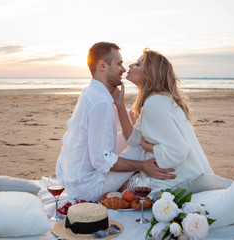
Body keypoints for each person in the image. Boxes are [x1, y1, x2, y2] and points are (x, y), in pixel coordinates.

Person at [56, 42, 175, 201]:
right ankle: (142, 180)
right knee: (139, 146)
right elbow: (102, 161)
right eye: (119, 64)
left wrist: (119, 103)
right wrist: (142, 165)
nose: (124, 69)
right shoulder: (101, 103)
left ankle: (126, 181)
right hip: (87, 188)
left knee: (125, 138)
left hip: (72, 178)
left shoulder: (92, 92)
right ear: (102, 66)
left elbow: (125, 121)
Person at [112, 48, 214, 194]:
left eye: (138, 64)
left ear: (150, 73)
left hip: (176, 180)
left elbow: (178, 151)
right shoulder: (156, 100)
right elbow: (133, 139)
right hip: (174, 174)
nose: (130, 66)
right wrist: (120, 105)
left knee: (118, 187)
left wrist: (151, 148)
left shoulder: (155, 103)